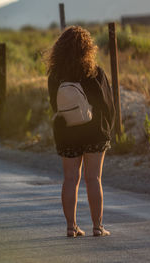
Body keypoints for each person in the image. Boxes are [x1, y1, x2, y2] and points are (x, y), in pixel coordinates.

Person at [47, 26, 115, 237]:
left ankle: (71, 227)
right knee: (93, 179)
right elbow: (107, 105)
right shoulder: (95, 72)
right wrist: (107, 128)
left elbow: (54, 104)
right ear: (87, 48)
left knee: (70, 179)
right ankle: (98, 227)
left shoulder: (55, 75)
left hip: (67, 131)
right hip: (94, 131)